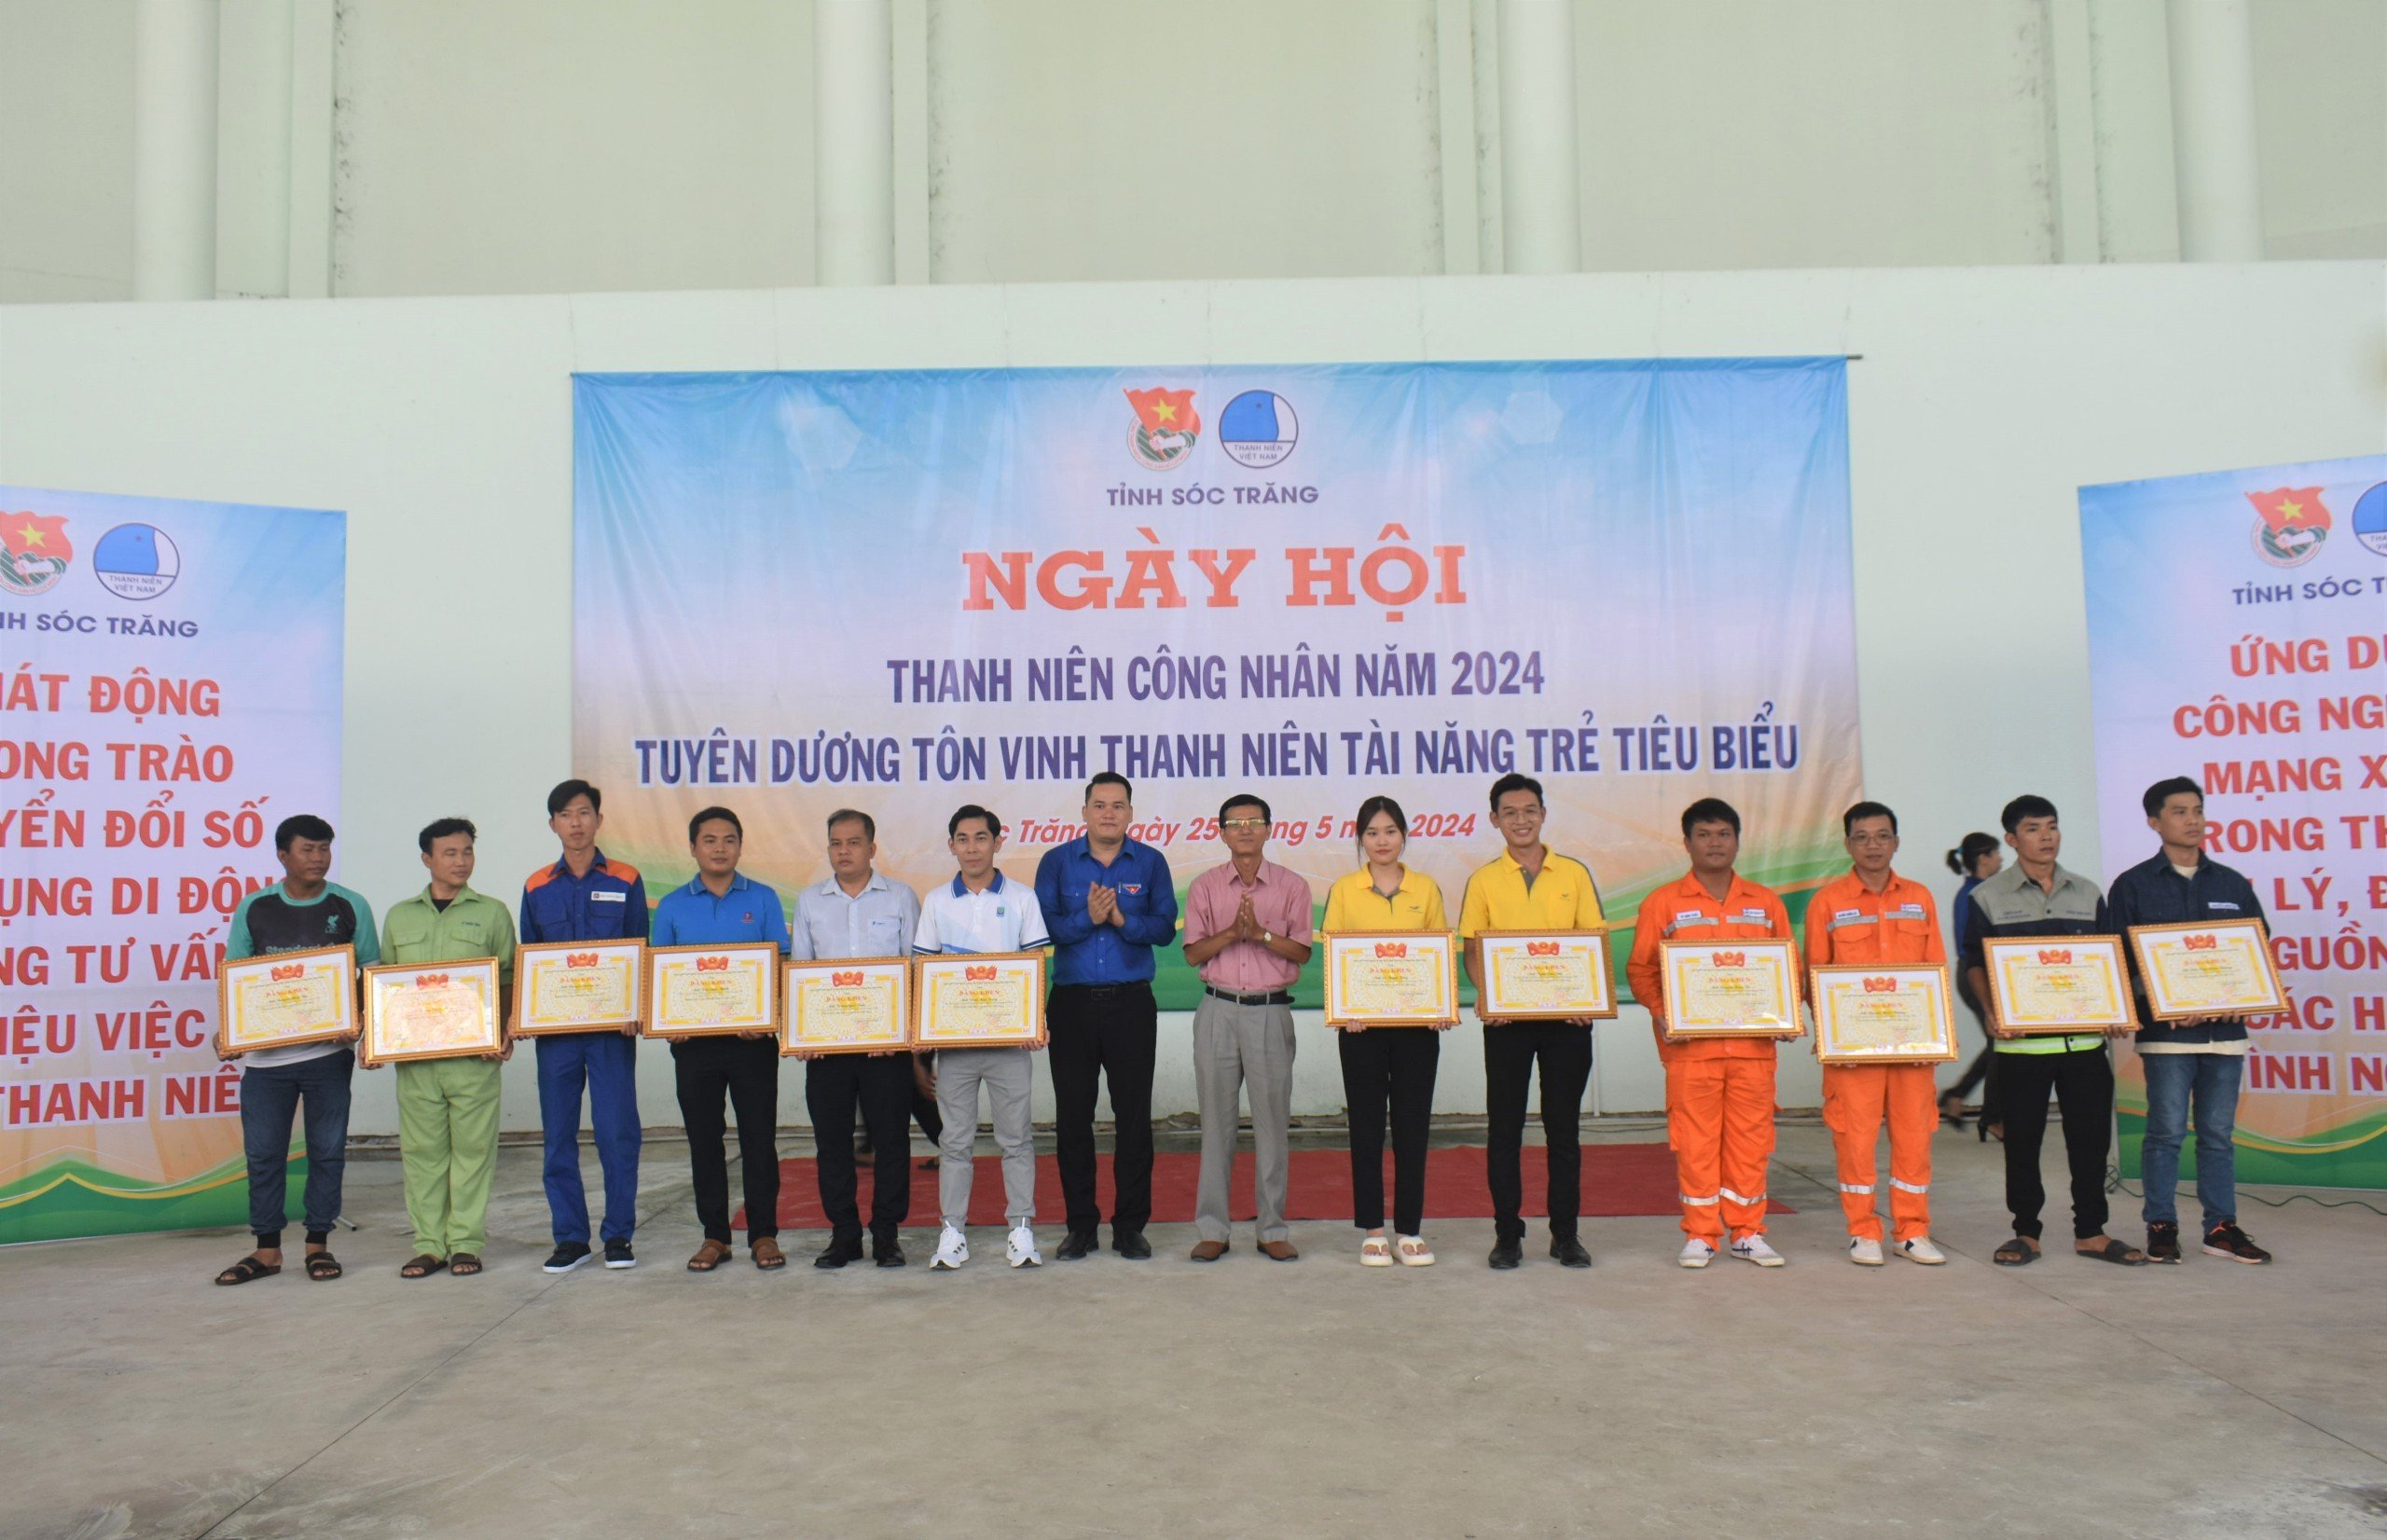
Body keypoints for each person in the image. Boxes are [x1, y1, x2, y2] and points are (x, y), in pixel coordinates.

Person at [1961, 794, 2146, 1267]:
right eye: (2033, 829)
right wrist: (1990, 1011)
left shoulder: (2087, 892)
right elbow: (1975, 961)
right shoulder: (1988, 896)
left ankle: (2092, 1232)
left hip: (2085, 1046)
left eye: (2052, 826)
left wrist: (2118, 1007)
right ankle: (2026, 1232)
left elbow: (2110, 959)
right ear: (2011, 839)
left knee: (2090, 1142)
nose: (2046, 837)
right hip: (2022, 1049)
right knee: (2022, 1144)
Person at [2107, 777, 2271, 1264]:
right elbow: (2117, 963)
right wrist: (2163, 1001)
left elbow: (2256, 951)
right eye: (2179, 812)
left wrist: (2242, 994)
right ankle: (2161, 1225)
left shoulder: (2232, 883)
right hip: (2168, 1038)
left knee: (2218, 1135)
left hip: (2225, 1034)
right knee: (2165, 1133)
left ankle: (2221, 1227)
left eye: (2197, 810)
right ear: (2154, 822)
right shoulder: (2133, 885)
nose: (2193, 820)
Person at [1625, 798, 1794, 1270]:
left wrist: (1786, 1014)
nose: (1714, 843)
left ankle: (1747, 1232)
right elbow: (1641, 969)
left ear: (1738, 840)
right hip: (1691, 1052)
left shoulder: (1766, 903)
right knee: (1696, 1144)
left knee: (1750, 1143)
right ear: (1687, 843)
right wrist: (1662, 1012)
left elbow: (1788, 966)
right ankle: (1701, 1234)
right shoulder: (1663, 903)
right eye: (1704, 834)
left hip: (1753, 1051)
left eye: (1723, 834)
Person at [212, 815, 379, 1286]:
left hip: (328, 1056)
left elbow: (372, 973)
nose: (318, 858)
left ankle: (318, 1245)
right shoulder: (255, 907)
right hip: (266, 1062)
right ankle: (267, 1250)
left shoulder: (351, 905)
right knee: (264, 1154)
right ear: (282, 855)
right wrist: (228, 1032)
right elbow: (236, 979)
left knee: (327, 1151)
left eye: (325, 849)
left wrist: (359, 1022)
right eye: (308, 849)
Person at [1457, 773, 1607, 1271]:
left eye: (1529, 811)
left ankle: (1566, 1234)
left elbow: (1592, 943)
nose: (1520, 820)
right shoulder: (1483, 880)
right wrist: (1488, 995)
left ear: (1543, 814)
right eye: (1510, 813)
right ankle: (1507, 1235)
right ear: (1494, 819)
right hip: (1507, 1025)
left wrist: (1587, 998)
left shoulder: (1574, 874)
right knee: (1504, 1131)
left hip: (1568, 1022)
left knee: (1564, 1131)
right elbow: (1473, 949)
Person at [1034, 771, 1178, 1261]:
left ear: (1130, 813)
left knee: (1133, 1119)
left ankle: (1130, 1227)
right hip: (1072, 1004)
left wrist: (1120, 919)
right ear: (1085, 812)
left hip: (1130, 1004)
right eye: (1099, 805)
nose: (1108, 813)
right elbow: (1044, 927)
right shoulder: (1056, 862)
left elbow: (1164, 929)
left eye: (1118, 805)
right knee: (1073, 1119)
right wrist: (1088, 918)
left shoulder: (1151, 862)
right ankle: (1080, 1227)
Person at [1805, 802, 1948, 1267]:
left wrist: (1934, 1035)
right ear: (1848, 844)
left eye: (1883, 836)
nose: (1873, 845)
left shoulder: (1920, 897)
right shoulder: (1827, 902)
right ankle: (1863, 1231)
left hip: (1912, 1046)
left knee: (1914, 1138)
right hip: (1853, 1050)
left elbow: (1935, 969)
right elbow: (1814, 976)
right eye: (1862, 837)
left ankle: (1913, 1230)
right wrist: (1832, 1037)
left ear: (1896, 842)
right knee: (1854, 1140)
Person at [651, 805, 791, 1273]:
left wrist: (768, 1015)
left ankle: (764, 1234)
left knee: (759, 1139)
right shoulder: (672, 906)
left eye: (729, 840)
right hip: (694, 1046)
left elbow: (780, 965)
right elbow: (659, 975)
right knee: (704, 1141)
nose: (719, 848)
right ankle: (714, 1235)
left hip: (752, 1042)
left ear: (740, 846)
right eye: (709, 840)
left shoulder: (764, 898)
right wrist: (670, 1023)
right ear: (693, 848)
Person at [517, 778, 647, 1274]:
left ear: (599, 819)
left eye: (584, 812)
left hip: (612, 1034)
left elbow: (640, 949)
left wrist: (636, 1007)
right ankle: (570, 1238)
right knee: (558, 1136)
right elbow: (529, 958)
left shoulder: (626, 878)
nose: (576, 823)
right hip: (557, 1037)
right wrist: (526, 1013)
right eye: (566, 815)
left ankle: (618, 1236)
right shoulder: (536, 885)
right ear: (552, 824)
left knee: (617, 1133)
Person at [916, 804, 1053, 1271]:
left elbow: (1036, 967)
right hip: (956, 1048)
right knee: (955, 1142)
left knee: (1016, 1140)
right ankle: (952, 1232)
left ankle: (1021, 1230)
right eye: (963, 838)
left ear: (997, 842)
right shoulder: (937, 901)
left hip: (1010, 1045)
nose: (972, 847)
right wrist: (924, 1032)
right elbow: (924, 970)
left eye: (980, 838)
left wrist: (1035, 1021)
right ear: (951, 845)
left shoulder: (1022, 898)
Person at [380, 818, 517, 1280]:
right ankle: (428, 1245)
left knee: (474, 1153)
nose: (461, 862)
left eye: (467, 852)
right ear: (427, 859)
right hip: (417, 1062)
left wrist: (504, 1031)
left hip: (473, 1060)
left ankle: (465, 1243)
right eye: (450, 853)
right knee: (423, 1155)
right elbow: (386, 987)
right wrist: (379, 1040)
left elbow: (507, 979)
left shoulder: (493, 913)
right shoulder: (399, 916)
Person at [1180, 793, 1314, 1262]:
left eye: (1254, 821)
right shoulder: (1205, 886)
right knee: (1215, 1125)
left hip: (1270, 1012)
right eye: (1235, 823)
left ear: (1269, 829)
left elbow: (1303, 952)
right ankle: (1213, 1229)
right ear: (1221, 833)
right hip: (1217, 1010)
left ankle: (1271, 1228)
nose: (1245, 829)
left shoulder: (1293, 886)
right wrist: (1231, 933)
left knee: (1272, 1125)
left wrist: (1261, 934)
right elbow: (1192, 954)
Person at [789, 808, 922, 1269]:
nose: (843, 851)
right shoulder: (810, 901)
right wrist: (805, 1035)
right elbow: (801, 973)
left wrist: (902, 1033)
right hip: (828, 1051)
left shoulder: (900, 897)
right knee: (832, 1145)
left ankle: (887, 1235)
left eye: (853, 842)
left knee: (892, 1142)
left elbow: (914, 971)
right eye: (835, 843)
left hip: (886, 1049)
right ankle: (843, 1235)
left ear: (872, 848)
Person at [1320, 795, 1450, 1267]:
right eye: (1372, 833)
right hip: (1361, 1030)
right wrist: (1346, 1009)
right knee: (1366, 1128)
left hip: (1418, 1030)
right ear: (1360, 839)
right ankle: (1373, 1230)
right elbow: (1334, 953)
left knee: (1413, 1128)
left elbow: (1439, 953)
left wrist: (1439, 1006)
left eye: (1390, 831)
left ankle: (1410, 1230)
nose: (1382, 841)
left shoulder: (1426, 889)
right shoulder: (1345, 890)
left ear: (1404, 836)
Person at [1939, 832, 2004, 1137]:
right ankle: (1991, 1117)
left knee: (1998, 1043)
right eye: (1996, 854)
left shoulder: (1978, 891)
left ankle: (1958, 1096)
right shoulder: (1975, 894)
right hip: (1976, 974)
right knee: (2000, 1043)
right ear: (1983, 859)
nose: (2001, 860)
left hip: (1979, 972)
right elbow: (1972, 948)